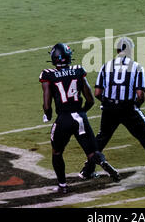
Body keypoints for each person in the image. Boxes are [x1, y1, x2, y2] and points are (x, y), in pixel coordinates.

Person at [79, 37, 145, 185]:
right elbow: (140, 95)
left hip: (109, 109)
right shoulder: (136, 67)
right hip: (128, 109)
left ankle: (87, 170)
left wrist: (108, 104)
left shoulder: (106, 66)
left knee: (100, 140)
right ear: (130, 50)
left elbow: (98, 93)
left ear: (117, 50)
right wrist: (135, 106)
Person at [39, 43, 121, 194]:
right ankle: (102, 161)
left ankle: (62, 186)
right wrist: (82, 112)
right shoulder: (77, 71)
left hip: (63, 119)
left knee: (57, 152)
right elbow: (90, 98)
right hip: (80, 117)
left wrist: (48, 114)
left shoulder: (48, 74)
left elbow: (46, 103)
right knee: (92, 152)